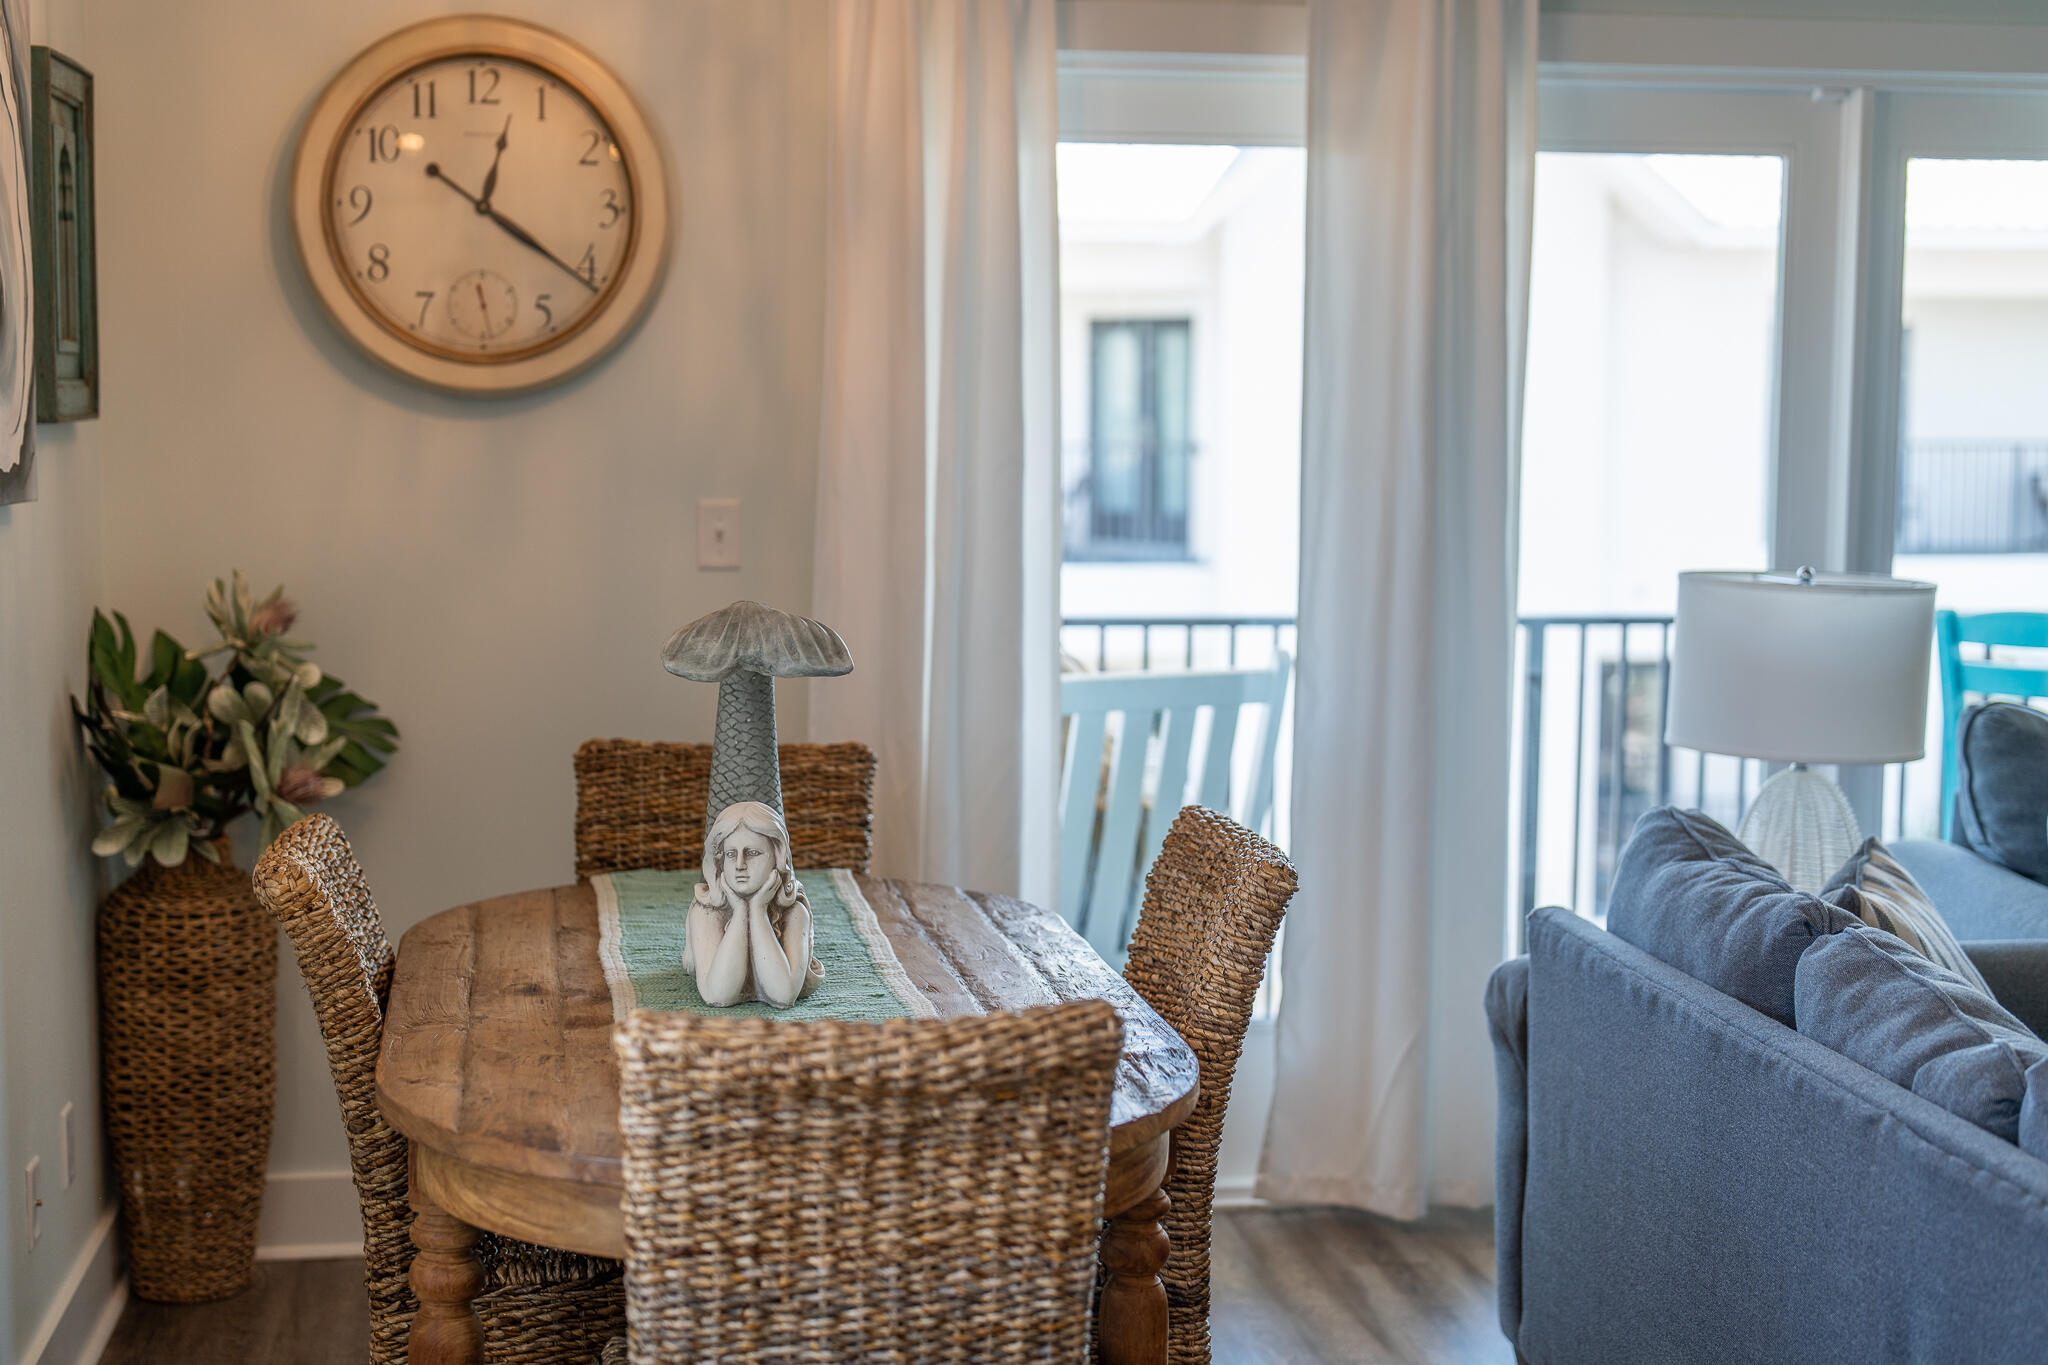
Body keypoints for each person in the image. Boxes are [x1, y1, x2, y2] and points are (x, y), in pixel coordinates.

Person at [681, 800, 823, 1008]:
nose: (739, 865)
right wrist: (739, 911)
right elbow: (718, 994)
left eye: (752, 853)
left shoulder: (793, 911)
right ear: (720, 861)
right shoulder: (707, 911)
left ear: (777, 857)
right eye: (731, 854)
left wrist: (758, 910)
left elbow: (783, 995)